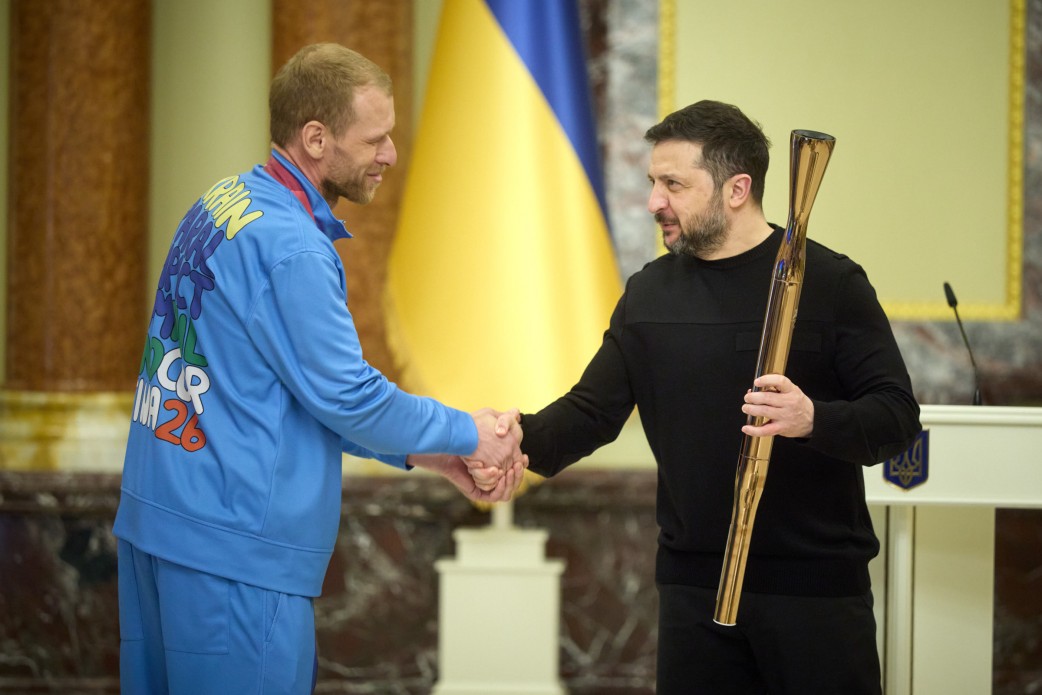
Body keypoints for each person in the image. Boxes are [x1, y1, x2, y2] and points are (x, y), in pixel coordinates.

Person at [113, 43, 523, 694]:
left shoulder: (222, 202)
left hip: (161, 528)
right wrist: (469, 433)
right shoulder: (293, 246)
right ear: (315, 138)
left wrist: (431, 455)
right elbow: (347, 394)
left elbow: (290, 391)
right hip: (234, 556)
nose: (390, 155)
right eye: (375, 139)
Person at [501, 100, 922, 693]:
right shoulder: (650, 293)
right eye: (653, 182)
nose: (654, 201)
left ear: (736, 189)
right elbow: (591, 413)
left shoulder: (831, 283)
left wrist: (812, 418)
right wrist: (506, 440)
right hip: (693, 592)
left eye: (673, 184)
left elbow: (896, 417)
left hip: (816, 591)